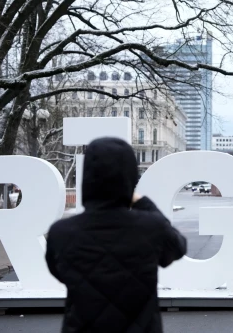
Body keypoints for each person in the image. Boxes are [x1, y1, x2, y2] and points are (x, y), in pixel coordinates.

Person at [46, 137, 187, 333]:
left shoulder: (61, 233)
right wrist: (141, 202)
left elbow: (60, 272)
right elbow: (178, 247)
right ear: (130, 177)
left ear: (87, 178)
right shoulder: (151, 227)